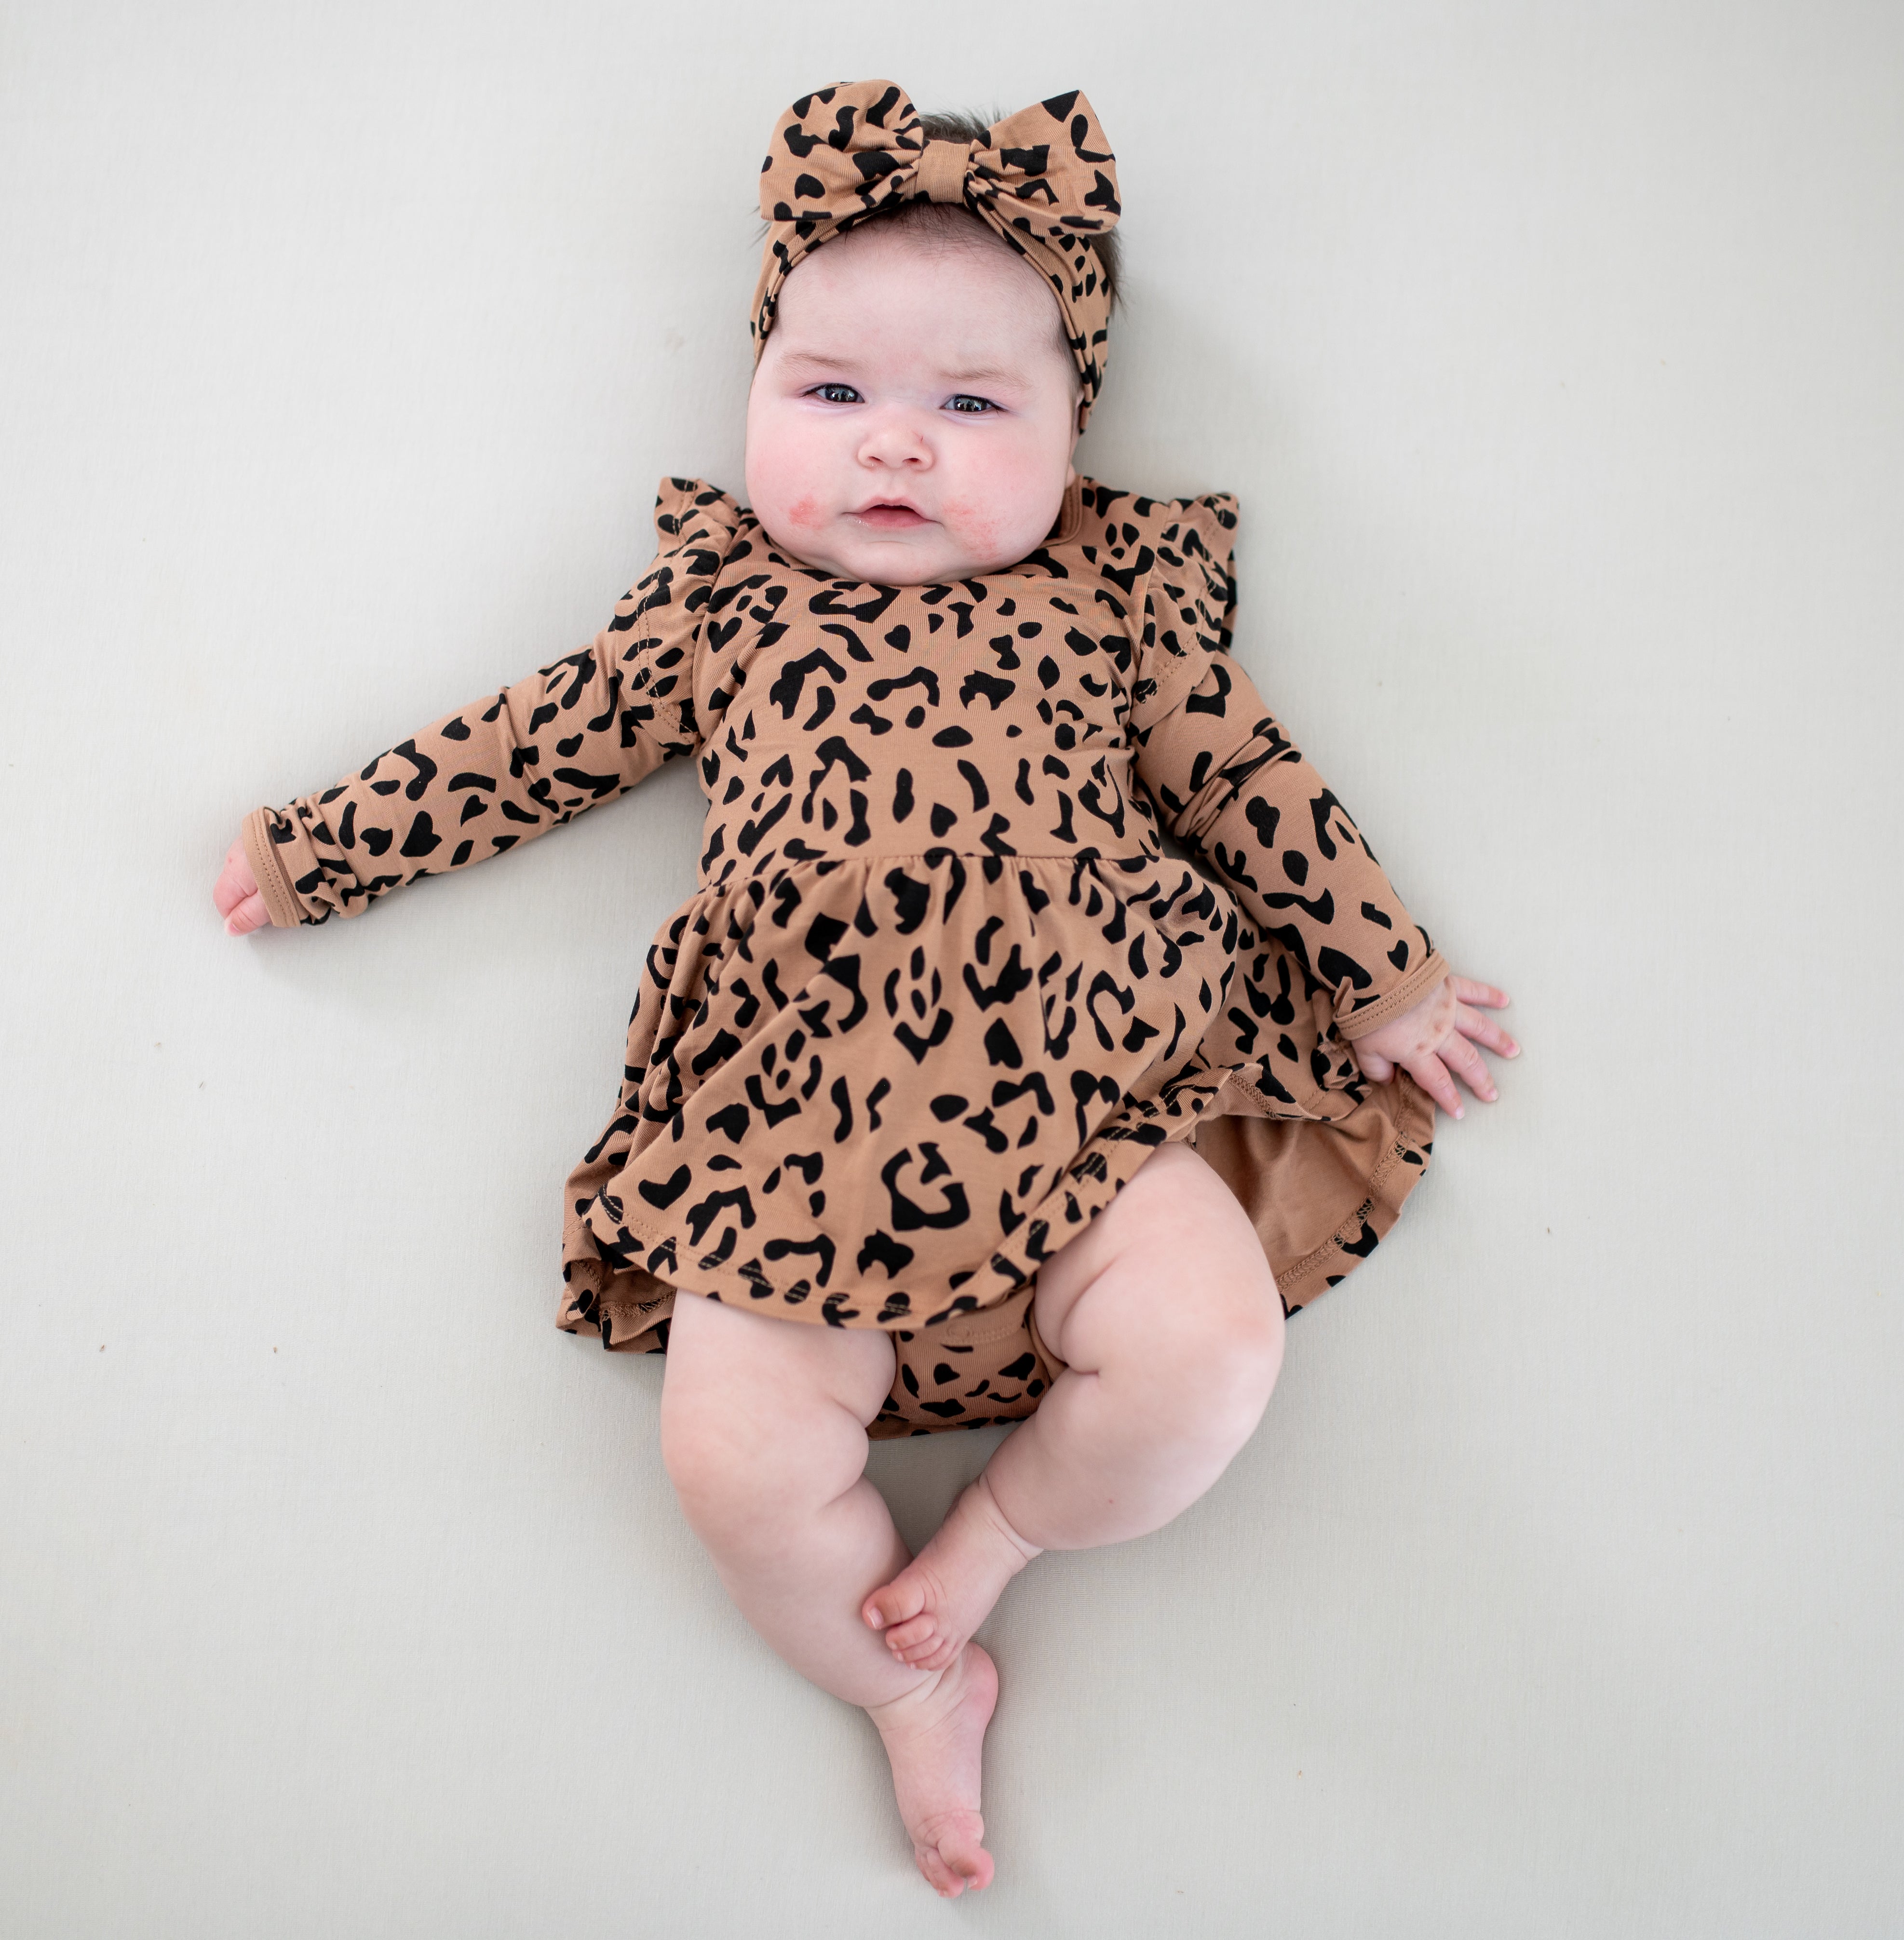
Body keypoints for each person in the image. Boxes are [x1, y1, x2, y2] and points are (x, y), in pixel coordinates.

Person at [212, 81, 1518, 1898]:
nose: (894, 448)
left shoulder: (1108, 614)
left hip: (1094, 1095)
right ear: (751, 398)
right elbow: (536, 741)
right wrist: (327, 845)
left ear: (1076, 433)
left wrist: (1386, 975)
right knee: (730, 1460)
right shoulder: (719, 615)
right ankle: (905, 1688)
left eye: (971, 406)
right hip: (788, 1138)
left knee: (1215, 1352)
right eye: (833, 395)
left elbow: (1257, 786)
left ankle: (991, 1540)